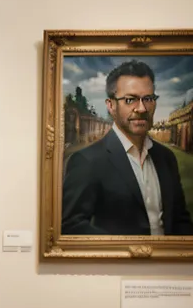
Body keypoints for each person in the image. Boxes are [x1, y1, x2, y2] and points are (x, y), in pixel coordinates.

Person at [62, 60, 193, 235]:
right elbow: (70, 226)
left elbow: (180, 220)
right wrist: (126, 253)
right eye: (130, 100)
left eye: (148, 99)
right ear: (111, 106)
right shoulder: (87, 161)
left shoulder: (167, 158)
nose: (141, 108)